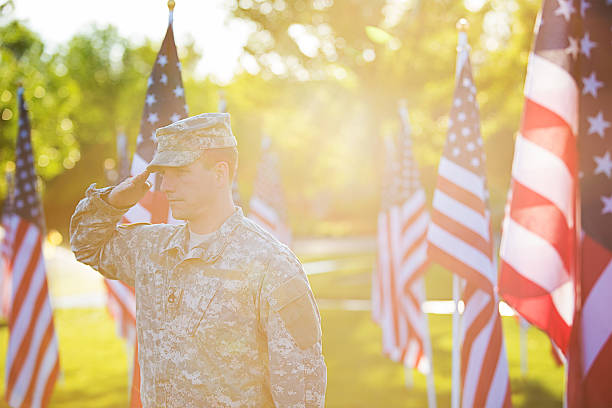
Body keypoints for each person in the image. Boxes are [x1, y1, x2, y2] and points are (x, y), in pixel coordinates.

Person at [70, 113, 326, 407]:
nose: (166, 186)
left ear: (219, 174)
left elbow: (301, 393)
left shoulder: (271, 265)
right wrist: (114, 201)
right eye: (164, 173)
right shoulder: (152, 249)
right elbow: (86, 244)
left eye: (180, 173)